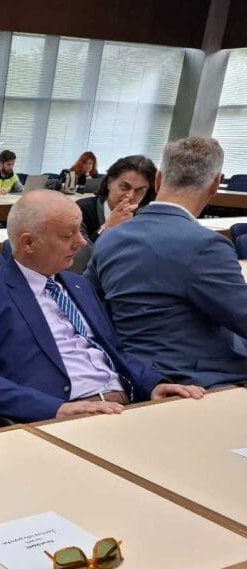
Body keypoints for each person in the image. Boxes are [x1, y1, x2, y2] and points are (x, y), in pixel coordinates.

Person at [0, 190, 203, 426]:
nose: (81, 242)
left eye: (79, 231)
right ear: (28, 243)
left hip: (127, 405)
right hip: (64, 417)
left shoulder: (79, 285)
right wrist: (55, 409)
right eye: (67, 236)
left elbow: (114, 350)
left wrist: (153, 383)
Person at [86, 137, 247, 387]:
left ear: (158, 179)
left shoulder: (109, 237)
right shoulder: (206, 246)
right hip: (197, 379)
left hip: (129, 369)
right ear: (215, 184)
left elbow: (86, 305)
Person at [71, 155, 156, 274]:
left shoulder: (145, 218)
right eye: (124, 187)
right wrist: (106, 228)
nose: (130, 196)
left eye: (140, 191)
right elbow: (76, 261)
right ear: (109, 182)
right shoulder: (82, 209)